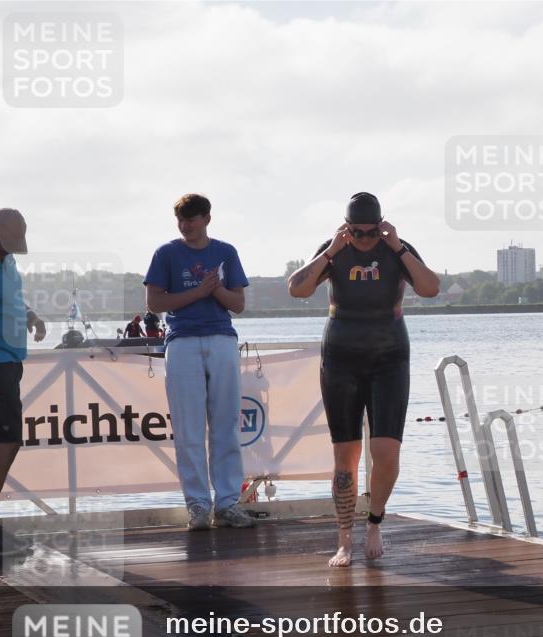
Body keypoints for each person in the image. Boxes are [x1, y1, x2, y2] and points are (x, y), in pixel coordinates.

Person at [288, 192, 440, 566]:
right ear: (346, 227)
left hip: (389, 357)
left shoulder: (396, 248)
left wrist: (399, 248)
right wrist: (330, 252)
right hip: (341, 358)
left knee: (385, 452)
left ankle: (374, 520)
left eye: (371, 232)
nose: (364, 239)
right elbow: (297, 288)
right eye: (357, 232)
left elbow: (431, 288)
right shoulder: (334, 249)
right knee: (346, 457)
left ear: (382, 225)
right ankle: (344, 539)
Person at [144, 193, 256, 531]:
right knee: (189, 429)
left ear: (207, 218)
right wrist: (200, 291)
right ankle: (197, 505)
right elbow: (154, 303)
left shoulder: (225, 252)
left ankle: (227, 504)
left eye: (191, 218)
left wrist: (215, 290)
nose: (185, 224)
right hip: (182, 342)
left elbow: (238, 304)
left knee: (225, 426)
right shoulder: (166, 253)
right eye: (180, 218)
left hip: (221, 340)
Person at [0, 208, 46, 555]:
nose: (8, 253)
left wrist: (29, 314)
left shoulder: (3, 258)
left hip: (7, 360)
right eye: (4, 245)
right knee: (6, 440)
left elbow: (8, 297)